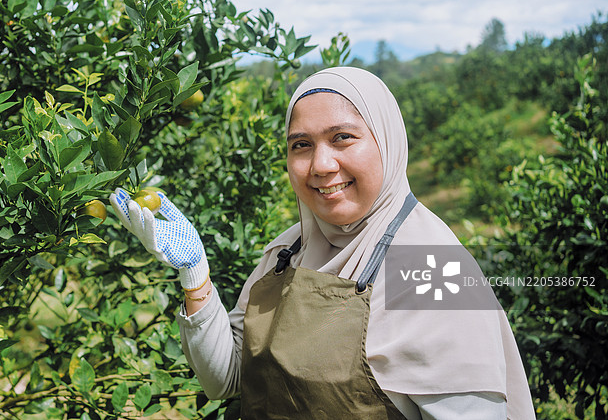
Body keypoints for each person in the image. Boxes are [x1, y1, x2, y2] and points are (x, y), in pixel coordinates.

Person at [110, 67, 535, 419]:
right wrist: (195, 275)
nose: (321, 164)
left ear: (386, 141)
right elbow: (227, 379)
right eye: (301, 145)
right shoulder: (286, 253)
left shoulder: (435, 269)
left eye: (342, 137)